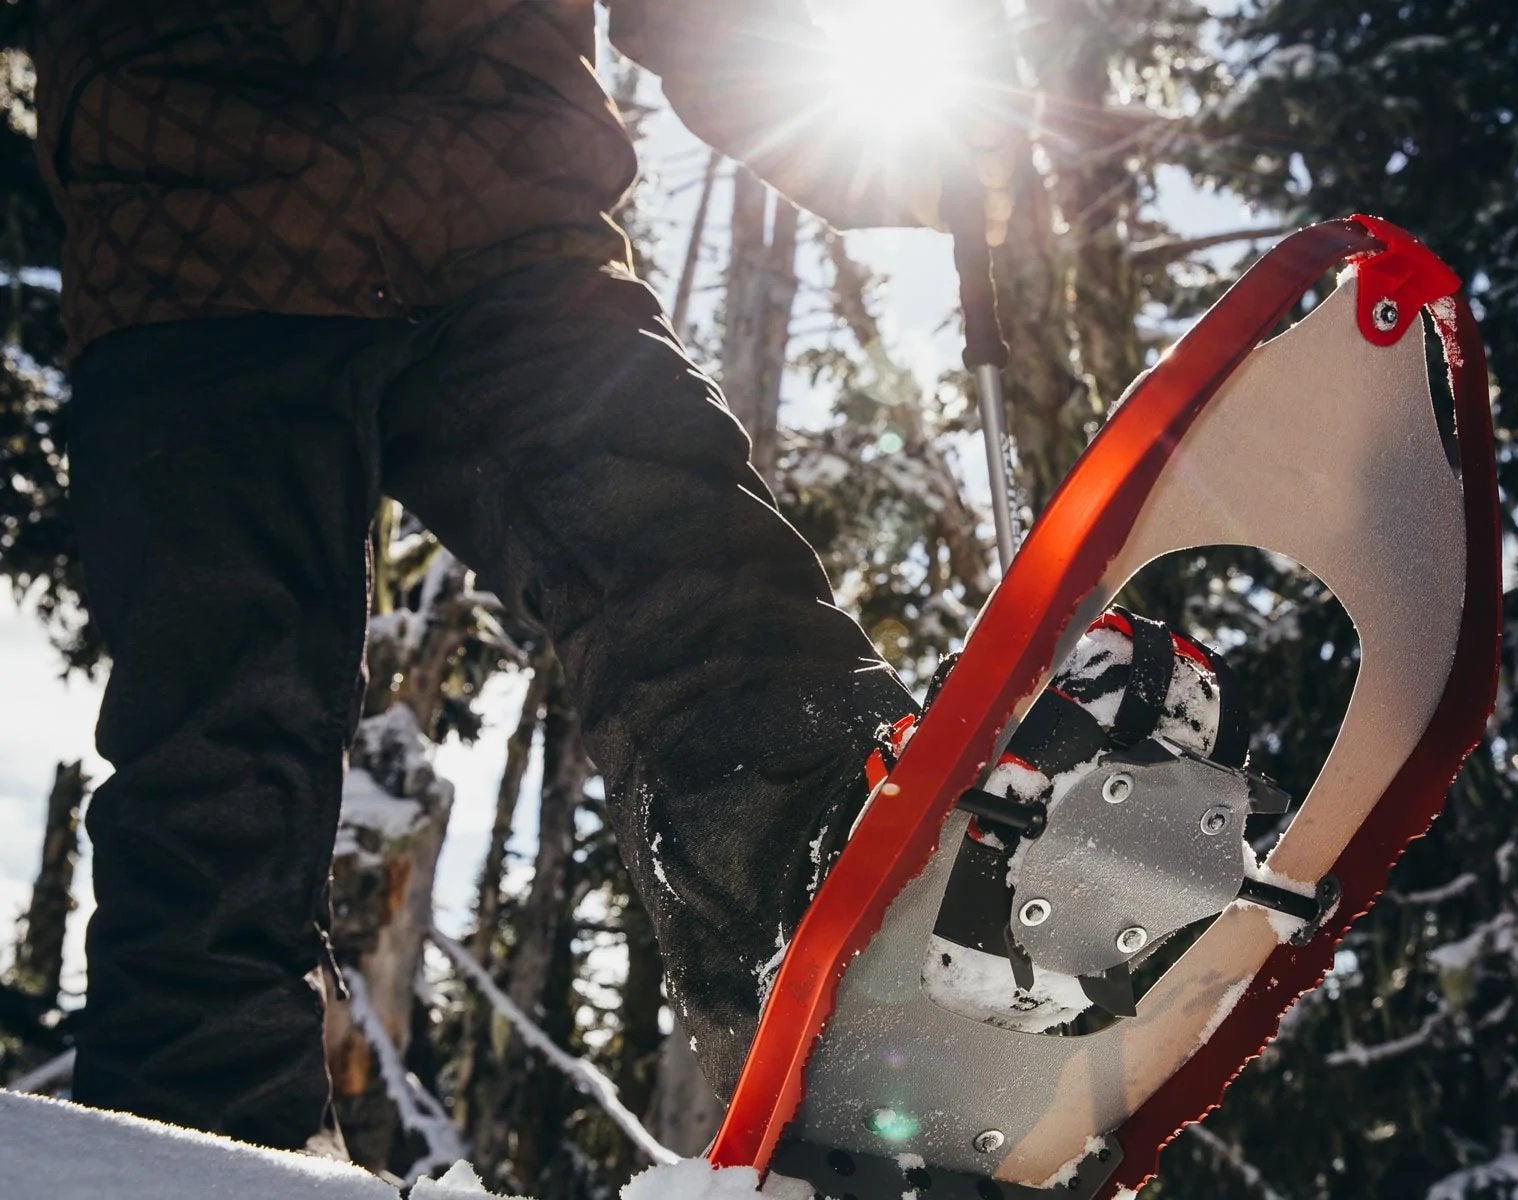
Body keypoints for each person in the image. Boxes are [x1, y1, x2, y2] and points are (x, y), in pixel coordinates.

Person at [30, 0, 1017, 1154]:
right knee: (221, 759)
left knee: (692, 578)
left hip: (502, 234)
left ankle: (877, 925)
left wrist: (900, 160)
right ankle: (201, 1152)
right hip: (194, 227)